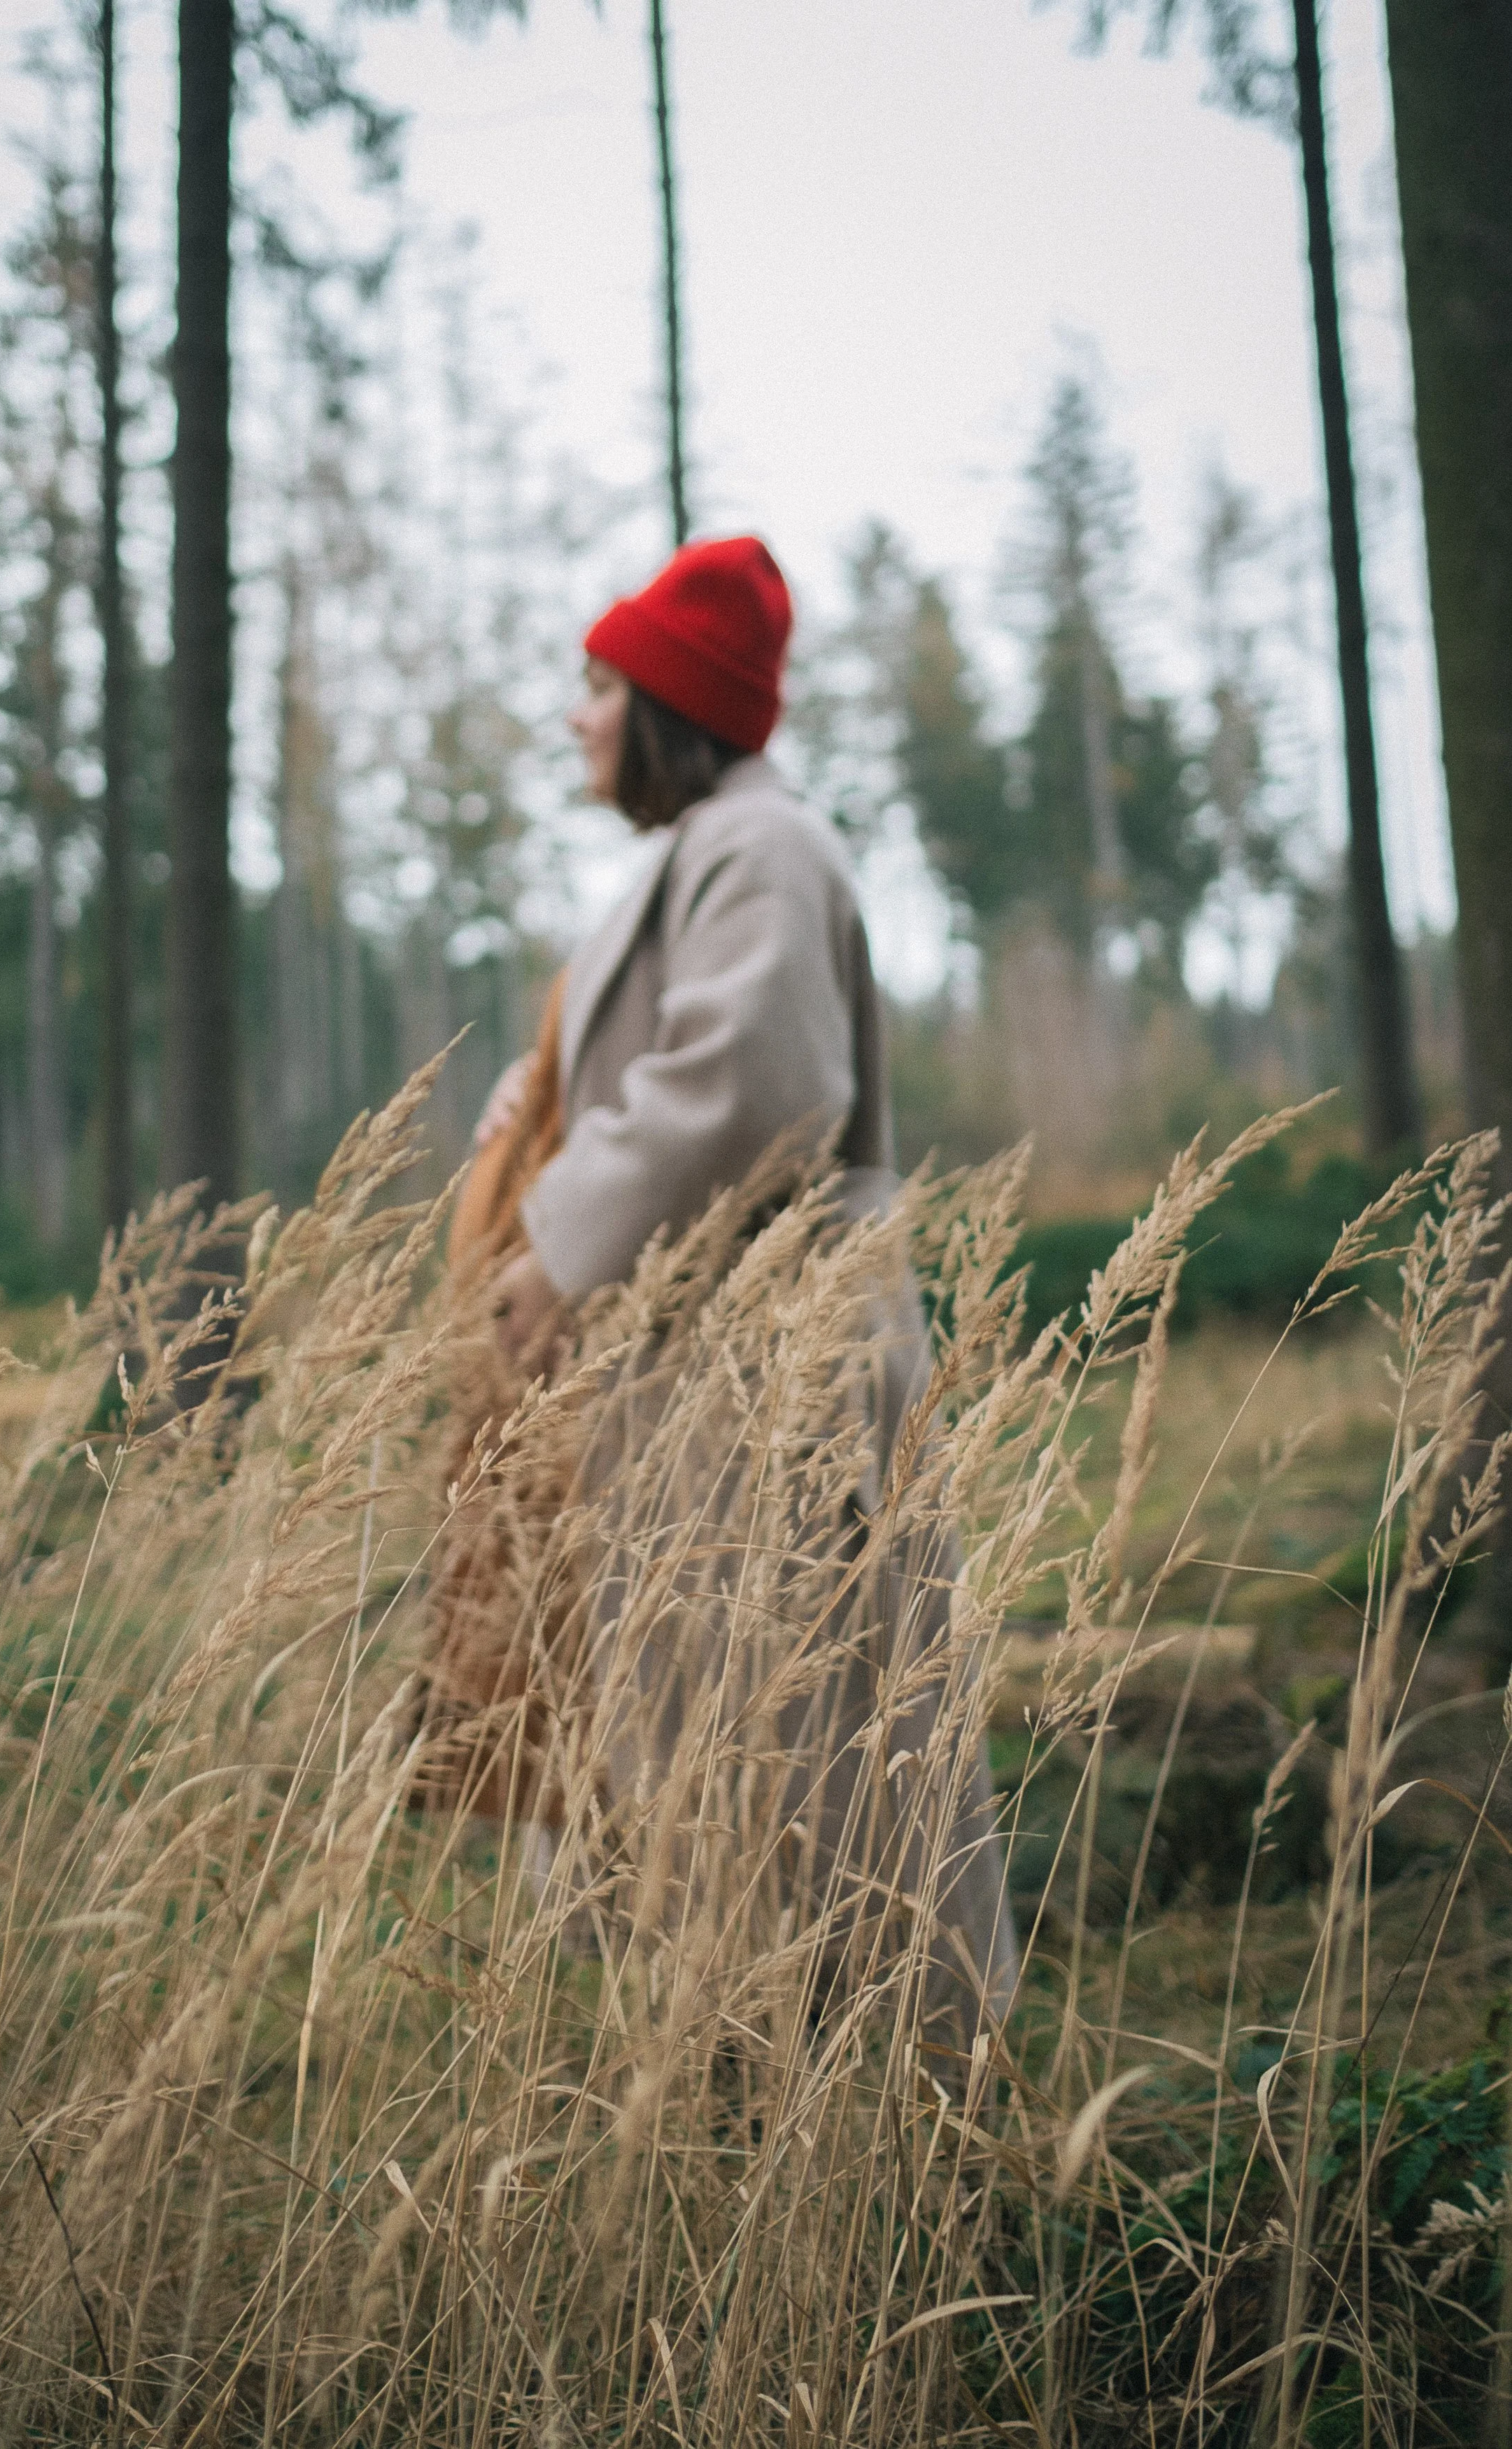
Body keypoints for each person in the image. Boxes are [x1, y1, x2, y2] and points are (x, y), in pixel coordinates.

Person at [427, 536, 1017, 2049]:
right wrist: (544, 1093)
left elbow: (755, 1084)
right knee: (711, 1743)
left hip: (767, 1383)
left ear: (666, 705)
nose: (574, 717)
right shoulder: (707, 855)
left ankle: (828, 2122)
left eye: (596, 686)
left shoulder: (760, 848)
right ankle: (731, 2105)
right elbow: (676, 1062)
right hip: (707, 1374)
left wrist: (557, 1242)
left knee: (798, 1760)